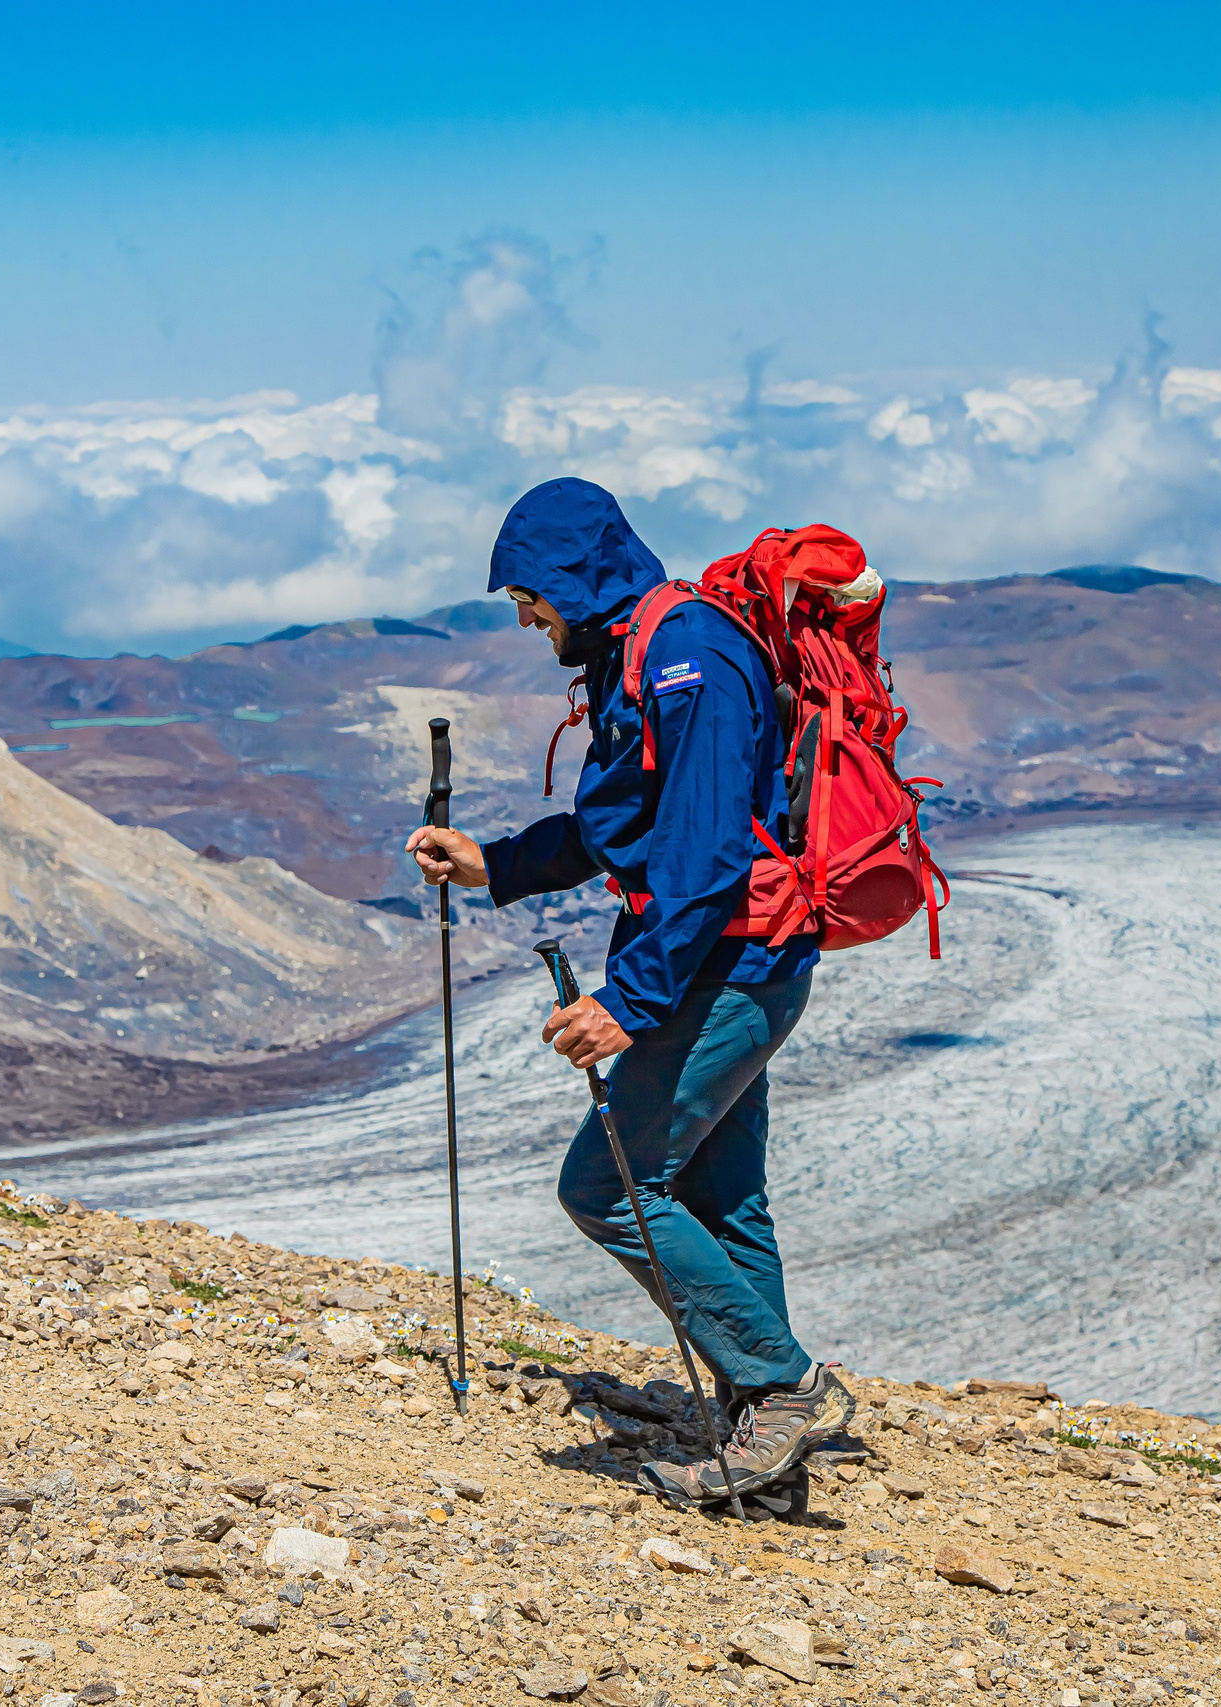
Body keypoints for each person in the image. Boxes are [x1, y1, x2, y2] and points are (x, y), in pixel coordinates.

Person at [403, 477, 854, 1503]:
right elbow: (618, 828)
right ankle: (765, 1435)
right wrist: (497, 864)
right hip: (741, 963)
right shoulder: (635, 654)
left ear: (575, 574)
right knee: (721, 1195)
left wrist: (628, 1002)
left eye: (528, 593)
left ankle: (781, 1389)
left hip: (722, 969)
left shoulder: (688, 657)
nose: (524, 615)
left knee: (606, 1188)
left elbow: (700, 857)